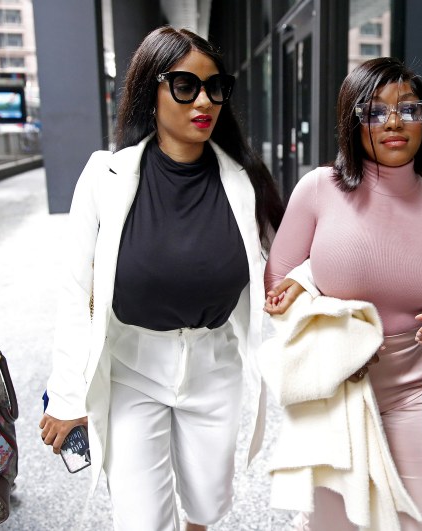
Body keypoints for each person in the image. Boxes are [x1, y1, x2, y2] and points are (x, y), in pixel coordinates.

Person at [38, 26, 283, 531]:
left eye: (215, 87)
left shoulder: (244, 180)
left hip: (215, 367)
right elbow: (74, 292)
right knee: (140, 518)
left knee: (207, 506)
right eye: (185, 85)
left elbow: (288, 263)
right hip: (131, 368)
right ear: (151, 89)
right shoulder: (105, 176)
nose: (204, 101)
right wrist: (67, 396)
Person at [264, 57, 422, 531]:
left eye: (408, 109)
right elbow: (277, 286)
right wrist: (336, 337)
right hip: (333, 393)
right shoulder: (320, 189)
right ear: (352, 121)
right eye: (374, 111)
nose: (394, 122)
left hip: (416, 395)